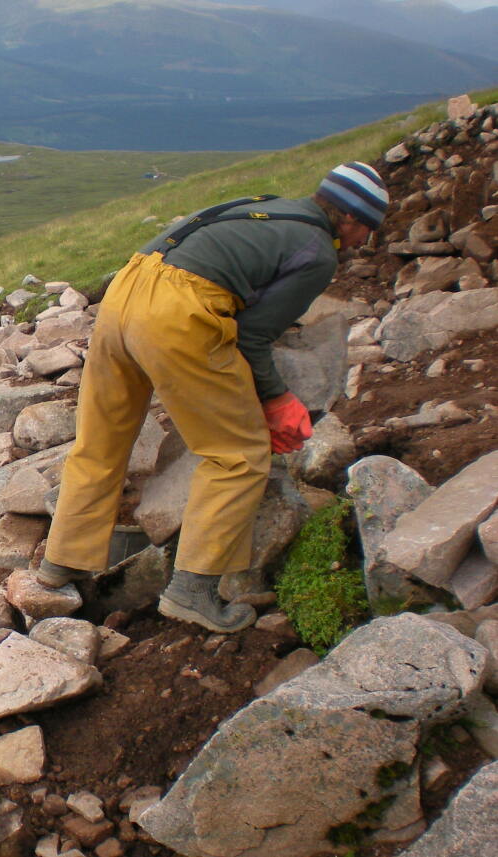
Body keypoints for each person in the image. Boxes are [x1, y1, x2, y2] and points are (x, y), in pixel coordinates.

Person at [39, 162, 389, 633]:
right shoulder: (319, 251)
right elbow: (251, 337)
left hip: (124, 294)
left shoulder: (271, 206)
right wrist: (277, 399)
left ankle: (61, 563)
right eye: (369, 229)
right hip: (175, 313)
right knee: (238, 455)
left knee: (102, 442)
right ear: (351, 220)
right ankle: (191, 592)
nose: (367, 240)